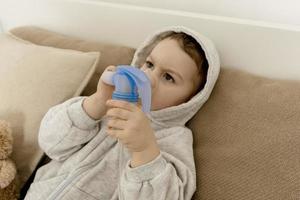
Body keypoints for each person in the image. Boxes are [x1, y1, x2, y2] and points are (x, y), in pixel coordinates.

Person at [24, 26, 220, 200]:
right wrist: (96, 103)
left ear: (191, 99)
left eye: (168, 77)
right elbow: (50, 143)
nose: (148, 78)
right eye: (150, 64)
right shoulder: (106, 106)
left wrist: (144, 149)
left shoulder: (175, 139)